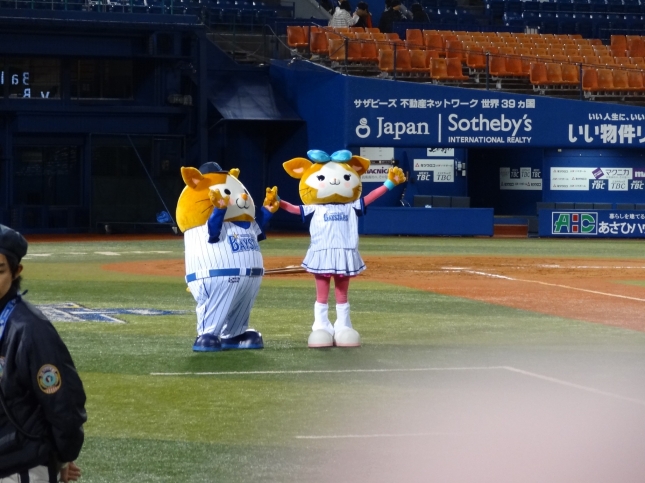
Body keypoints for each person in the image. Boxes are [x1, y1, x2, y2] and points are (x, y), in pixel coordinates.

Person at [0, 224, 87, 483]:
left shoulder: (31, 329)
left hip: (19, 467)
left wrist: (60, 457)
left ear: (16, 271)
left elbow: (63, 404)